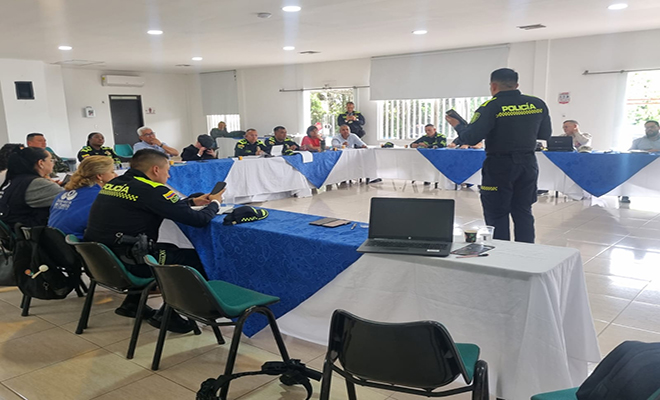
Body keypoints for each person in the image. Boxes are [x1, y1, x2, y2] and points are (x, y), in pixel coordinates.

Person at [84, 149, 225, 332]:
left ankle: (133, 304)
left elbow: (152, 204)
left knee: (168, 248)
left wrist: (192, 202)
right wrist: (215, 203)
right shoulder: (153, 189)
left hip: (104, 260)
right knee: (195, 259)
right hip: (131, 262)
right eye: (167, 170)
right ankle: (169, 315)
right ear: (156, 170)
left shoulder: (115, 184)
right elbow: (199, 220)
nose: (169, 175)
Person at [445, 68, 551, 243]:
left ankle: (501, 253)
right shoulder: (537, 104)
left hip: (500, 166)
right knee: (523, 210)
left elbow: (471, 138)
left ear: (493, 86)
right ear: (516, 84)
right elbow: (545, 134)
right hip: (528, 164)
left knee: (497, 212)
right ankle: (527, 252)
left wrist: (458, 125)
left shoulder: (490, 106)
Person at [48, 156, 117, 240]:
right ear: (99, 176)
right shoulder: (101, 197)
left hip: (53, 241)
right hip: (77, 242)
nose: (116, 175)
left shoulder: (64, 193)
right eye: (112, 172)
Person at [0, 147, 64, 228]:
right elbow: (70, 199)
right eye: (51, 160)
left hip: (13, 228)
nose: (53, 163)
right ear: (41, 163)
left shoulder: (15, 180)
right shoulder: (37, 183)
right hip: (31, 231)